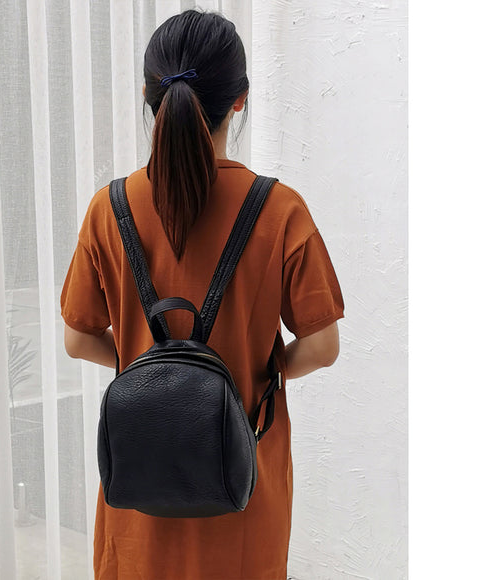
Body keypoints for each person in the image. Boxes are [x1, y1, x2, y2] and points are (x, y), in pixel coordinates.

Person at [60, 8, 344, 580]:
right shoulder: (280, 210)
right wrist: (252, 372)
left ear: (149, 97)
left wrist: (151, 367)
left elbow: (78, 340)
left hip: (140, 497)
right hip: (242, 492)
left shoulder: (107, 210)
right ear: (239, 100)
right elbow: (322, 346)